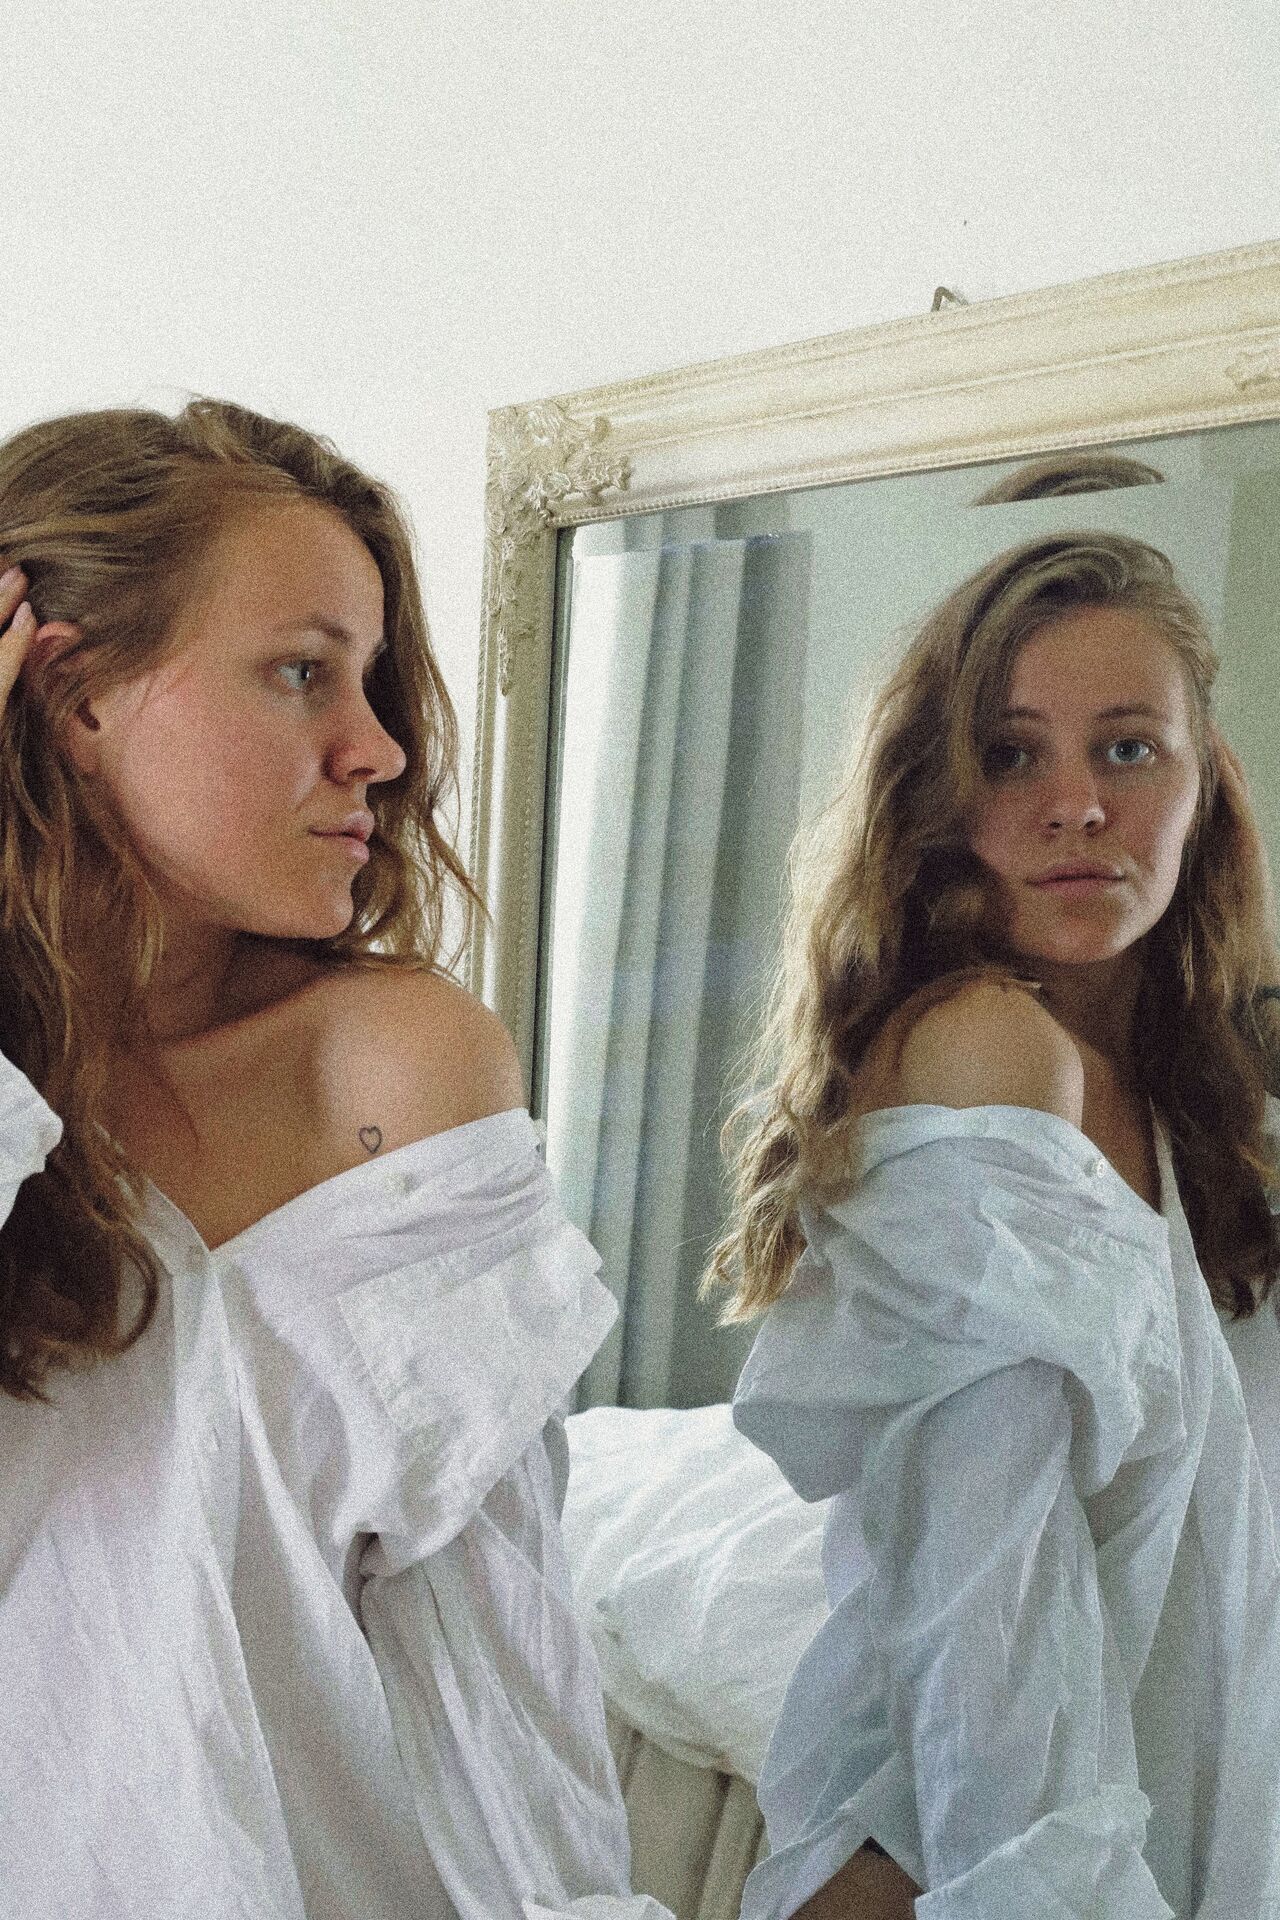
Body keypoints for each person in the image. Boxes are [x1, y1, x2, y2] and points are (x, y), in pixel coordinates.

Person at [0, 399, 667, 1920]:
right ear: (73, 698)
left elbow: (499, 1682)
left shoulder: (388, 1073)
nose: (376, 749)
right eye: (302, 671)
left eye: (367, 678)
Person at [707, 530, 1280, 1917]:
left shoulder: (1220, 1105)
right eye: (1012, 756)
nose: (1076, 806)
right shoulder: (987, 1052)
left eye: (1129, 750)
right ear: (940, 798)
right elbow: (989, 1623)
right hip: (965, 1865)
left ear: (1207, 783)